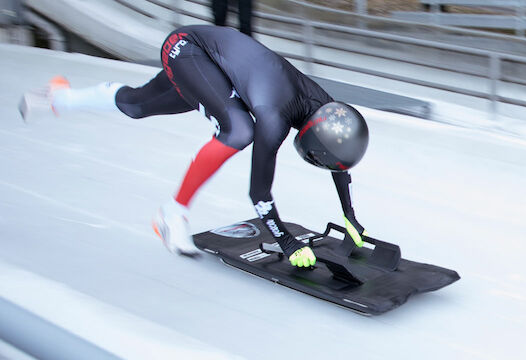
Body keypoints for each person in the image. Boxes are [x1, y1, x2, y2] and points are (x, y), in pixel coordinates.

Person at [31, 25, 369, 268]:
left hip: (214, 61)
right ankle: (172, 213)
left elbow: (337, 157)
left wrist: (349, 214)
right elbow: (259, 193)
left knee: (136, 106)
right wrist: (287, 242)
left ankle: (61, 95)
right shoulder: (273, 118)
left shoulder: (326, 107)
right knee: (238, 130)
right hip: (189, 48)